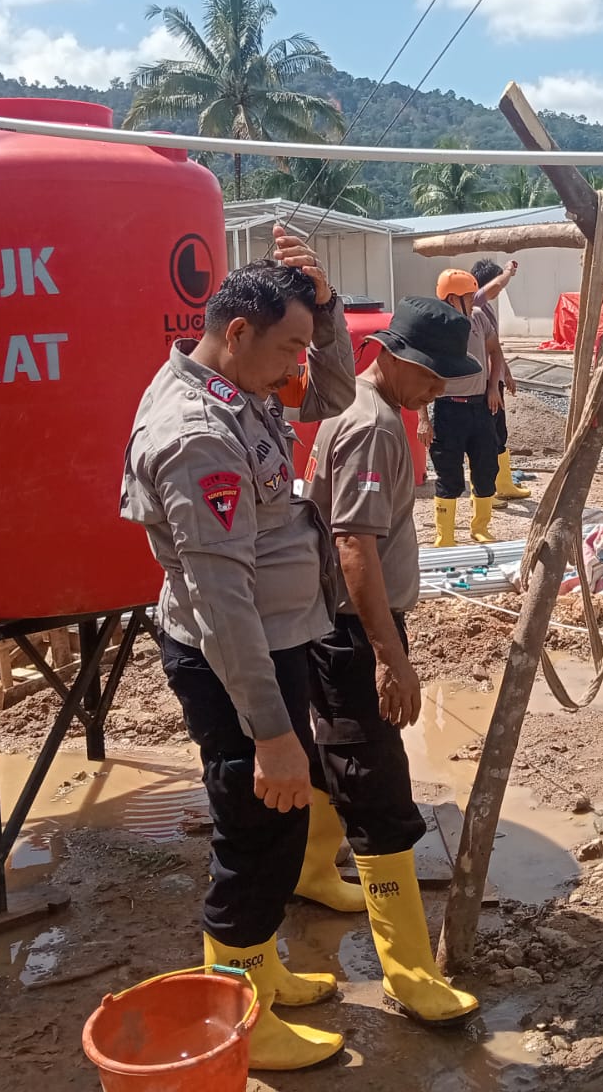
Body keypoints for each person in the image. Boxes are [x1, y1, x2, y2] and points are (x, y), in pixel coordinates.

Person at [120, 253, 356, 1071]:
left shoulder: (238, 388)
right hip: (236, 657)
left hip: (270, 638)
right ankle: (237, 1013)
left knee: (275, 825)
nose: (302, 361)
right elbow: (222, 603)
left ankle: (254, 971)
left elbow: (332, 394)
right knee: (255, 826)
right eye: (292, 345)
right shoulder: (198, 438)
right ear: (240, 331)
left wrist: (322, 309)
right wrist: (271, 733)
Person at [305, 296, 482, 1026]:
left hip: (335, 624)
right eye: (434, 377)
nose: (440, 389)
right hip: (353, 630)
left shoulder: (365, 412)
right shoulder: (374, 428)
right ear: (397, 358)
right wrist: (390, 657)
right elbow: (354, 548)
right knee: (378, 788)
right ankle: (409, 972)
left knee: (331, 760)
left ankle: (314, 873)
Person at [421, 269, 502, 547]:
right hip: (448, 411)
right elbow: (420, 374)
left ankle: (480, 527)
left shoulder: (479, 319)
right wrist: (423, 419)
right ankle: (445, 536)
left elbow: (496, 352)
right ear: (453, 299)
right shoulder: (434, 329)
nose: (474, 299)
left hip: (480, 409)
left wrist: (493, 387)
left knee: (485, 469)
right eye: (469, 295)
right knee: (448, 474)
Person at [471, 257, 532, 507]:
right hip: (480, 382)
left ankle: (503, 484)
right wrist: (508, 271)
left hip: (492, 379)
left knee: (499, 433)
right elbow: (497, 286)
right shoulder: (475, 300)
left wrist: (505, 372)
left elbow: (494, 346)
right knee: (484, 436)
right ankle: (485, 491)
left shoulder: (486, 309)